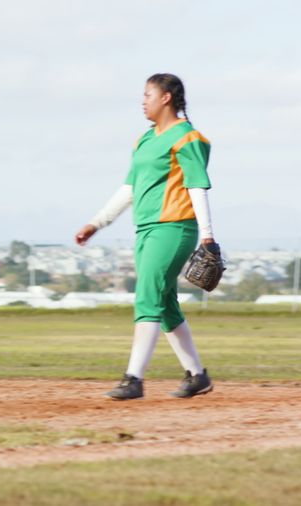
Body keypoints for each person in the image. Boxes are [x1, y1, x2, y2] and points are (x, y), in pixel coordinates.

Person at [75, 73, 217, 400]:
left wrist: (207, 236)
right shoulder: (145, 139)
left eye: (147, 94)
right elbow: (130, 188)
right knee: (164, 303)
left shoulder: (188, 138)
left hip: (175, 226)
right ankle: (197, 375)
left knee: (147, 296)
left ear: (166, 97)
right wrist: (97, 223)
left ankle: (133, 378)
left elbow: (197, 184)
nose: (143, 101)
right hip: (146, 228)